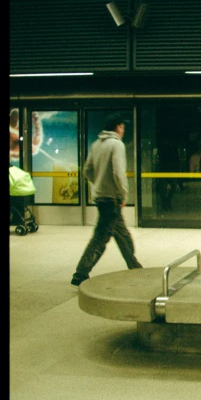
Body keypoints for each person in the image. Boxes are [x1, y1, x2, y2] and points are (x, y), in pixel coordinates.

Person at [71, 114, 142, 286]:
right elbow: (118, 172)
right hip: (112, 199)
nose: (123, 130)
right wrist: (122, 194)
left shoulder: (96, 144)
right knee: (101, 238)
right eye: (123, 127)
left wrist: (99, 183)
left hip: (101, 197)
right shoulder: (116, 144)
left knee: (122, 234)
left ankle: (135, 267)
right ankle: (80, 273)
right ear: (118, 127)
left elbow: (87, 170)